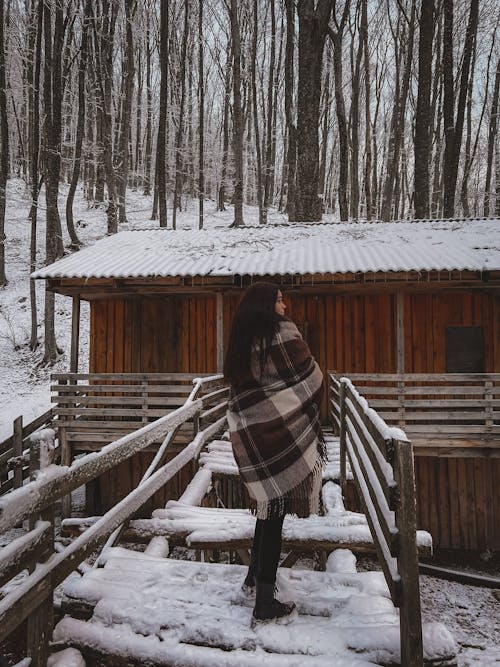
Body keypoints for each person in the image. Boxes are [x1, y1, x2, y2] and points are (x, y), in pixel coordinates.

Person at [224, 282, 325, 624]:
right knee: (274, 511)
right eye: (280, 300)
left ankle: (254, 577)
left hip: (251, 432)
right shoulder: (281, 333)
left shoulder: (242, 337)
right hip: (277, 436)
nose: (285, 305)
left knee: (268, 507)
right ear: (268, 304)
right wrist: (291, 408)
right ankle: (264, 601)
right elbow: (312, 378)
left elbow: (248, 390)